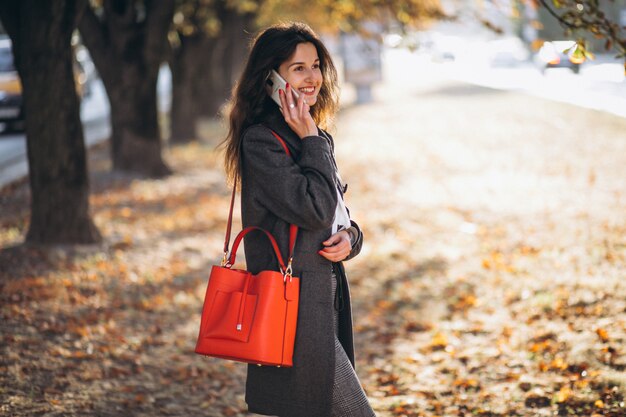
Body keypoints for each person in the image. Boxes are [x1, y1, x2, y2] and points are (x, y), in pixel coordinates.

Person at [221, 22, 376, 417]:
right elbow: (314, 209)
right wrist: (309, 138)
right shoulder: (262, 141)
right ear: (271, 78)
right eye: (298, 68)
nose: (312, 78)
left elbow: (335, 215)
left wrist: (352, 239)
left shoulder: (315, 136)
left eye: (315, 65)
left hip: (327, 297)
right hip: (293, 308)